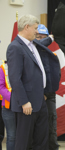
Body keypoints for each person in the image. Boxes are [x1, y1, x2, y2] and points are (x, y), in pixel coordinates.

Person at [6, 14, 59, 150]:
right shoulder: (15, 47)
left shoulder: (32, 44)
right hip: (27, 104)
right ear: (26, 27)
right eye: (35, 28)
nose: (37, 31)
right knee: (24, 142)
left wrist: (53, 37)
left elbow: (44, 42)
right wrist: (24, 102)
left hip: (40, 100)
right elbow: (14, 78)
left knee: (42, 140)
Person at [36, 24, 60, 150]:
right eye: (38, 37)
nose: (40, 40)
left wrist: (49, 91)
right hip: (37, 94)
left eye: (43, 37)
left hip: (50, 95)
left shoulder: (51, 54)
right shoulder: (32, 50)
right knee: (37, 127)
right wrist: (50, 38)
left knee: (51, 126)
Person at [0, 60, 16, 150]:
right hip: (8, 106)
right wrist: (13, 99)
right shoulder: (3, 67)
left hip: (25, 106)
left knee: (24, 135)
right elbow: (1, 86)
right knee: (12, 136)